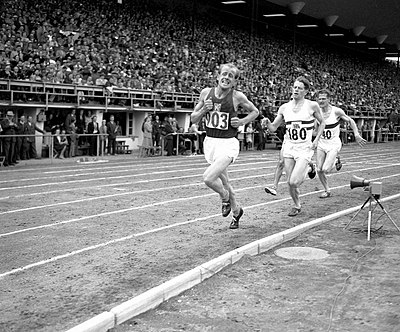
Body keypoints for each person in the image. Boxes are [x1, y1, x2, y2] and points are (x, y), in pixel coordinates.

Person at [191, 63, 259, 229]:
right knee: (226, 181)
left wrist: (242, 121)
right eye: (225, 74)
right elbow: (193, 118)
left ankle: (224, 197)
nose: (227, 78)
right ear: (218, 76)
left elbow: (255, 111)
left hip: (228, 144)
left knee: (208, 178)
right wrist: (202, 111)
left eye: (231, 76)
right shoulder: (206, 93)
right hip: (211, 143)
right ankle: (236, 212)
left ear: (235, 81)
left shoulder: (237, 97)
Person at [263, 76, 325, 217]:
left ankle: (310, 167)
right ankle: (297, 205)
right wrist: (266, 122)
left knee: (294, 181)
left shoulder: (311, 105)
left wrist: (317, 140)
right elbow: (273, 127)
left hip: (304, 148)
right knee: (290, 183)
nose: (296, 90)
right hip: (290, 147)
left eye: (300, 88)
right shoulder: (284, 107)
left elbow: (322, 123)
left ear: (306, 91)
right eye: (295, 87)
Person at [314, 89, 367, 198]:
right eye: (319, 99)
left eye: (324, 99)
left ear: (329, 99)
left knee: (326, 169)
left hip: (333, 144)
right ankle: (327, 190)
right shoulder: (316, 112)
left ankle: (336, 160)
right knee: (319, 169)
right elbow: (315, 130)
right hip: (321, 143)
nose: (321, 101)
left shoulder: (336, 111)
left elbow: (351, 121)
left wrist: (356, 134)